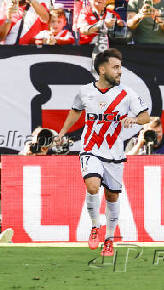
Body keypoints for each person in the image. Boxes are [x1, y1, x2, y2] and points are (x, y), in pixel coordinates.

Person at [56, 48, 150, 256]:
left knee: (112, 197)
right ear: (102, 69)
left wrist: (134, 119)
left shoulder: (127, 93)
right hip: (90, 148)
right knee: (92, 186)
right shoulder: (85, 91)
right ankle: (94, 225)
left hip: (115, 153)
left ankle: (108, 239)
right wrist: (63, 131)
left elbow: (146, 116)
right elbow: (75, 111)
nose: (119, 72)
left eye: (120, 68)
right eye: (115, 67)